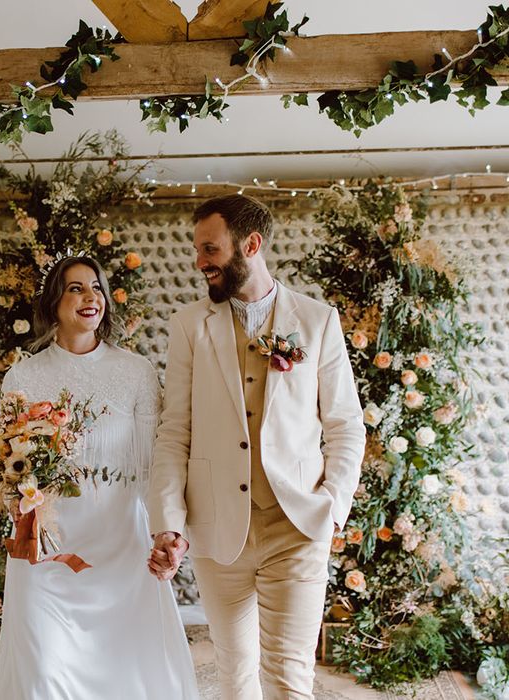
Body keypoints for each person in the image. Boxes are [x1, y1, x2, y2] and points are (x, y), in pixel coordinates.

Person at [146, 195, 365, 699]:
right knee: (235, 676)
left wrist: (332, 509)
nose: (200, 262)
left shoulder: (316, 321)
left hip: (296, 526)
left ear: (251, 244)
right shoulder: (189, 327)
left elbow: (346, 425)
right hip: (220, 531)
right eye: (197, 250)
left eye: (210, 249)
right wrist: (170, 523)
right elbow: (174, 430)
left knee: (289, 679)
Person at [0, 255, 199, 699]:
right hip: (47, 554)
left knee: (128, 675)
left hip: (123, 552)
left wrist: (168, 532)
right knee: (43, 670)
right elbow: (4, 468)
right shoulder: (24, 376)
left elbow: (155, 466)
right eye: (76, 288)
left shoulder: (136, 372)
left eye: (97, 288)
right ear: (55, 302)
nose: (91, 298)